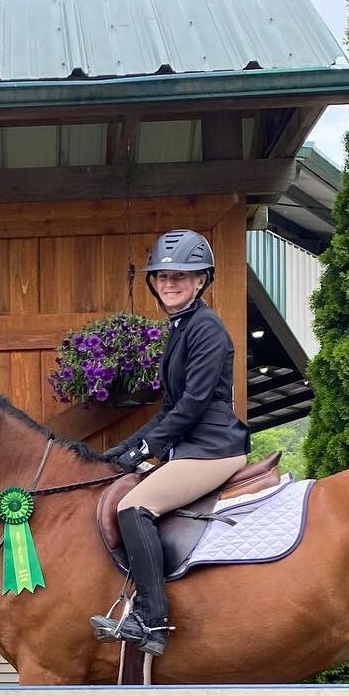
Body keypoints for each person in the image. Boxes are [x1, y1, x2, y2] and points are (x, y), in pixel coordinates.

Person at [90, 230, 249, 657]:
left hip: (213, 447)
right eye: (161, 276)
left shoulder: (207, 329)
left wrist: (145, 451)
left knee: (132, 507)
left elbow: (194, 405)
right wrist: (121, 450)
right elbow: (168, 410)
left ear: (201, 280)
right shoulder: (180, 329)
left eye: (181, 275)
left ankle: (152, 620)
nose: (169, 282)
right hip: (192, 444)